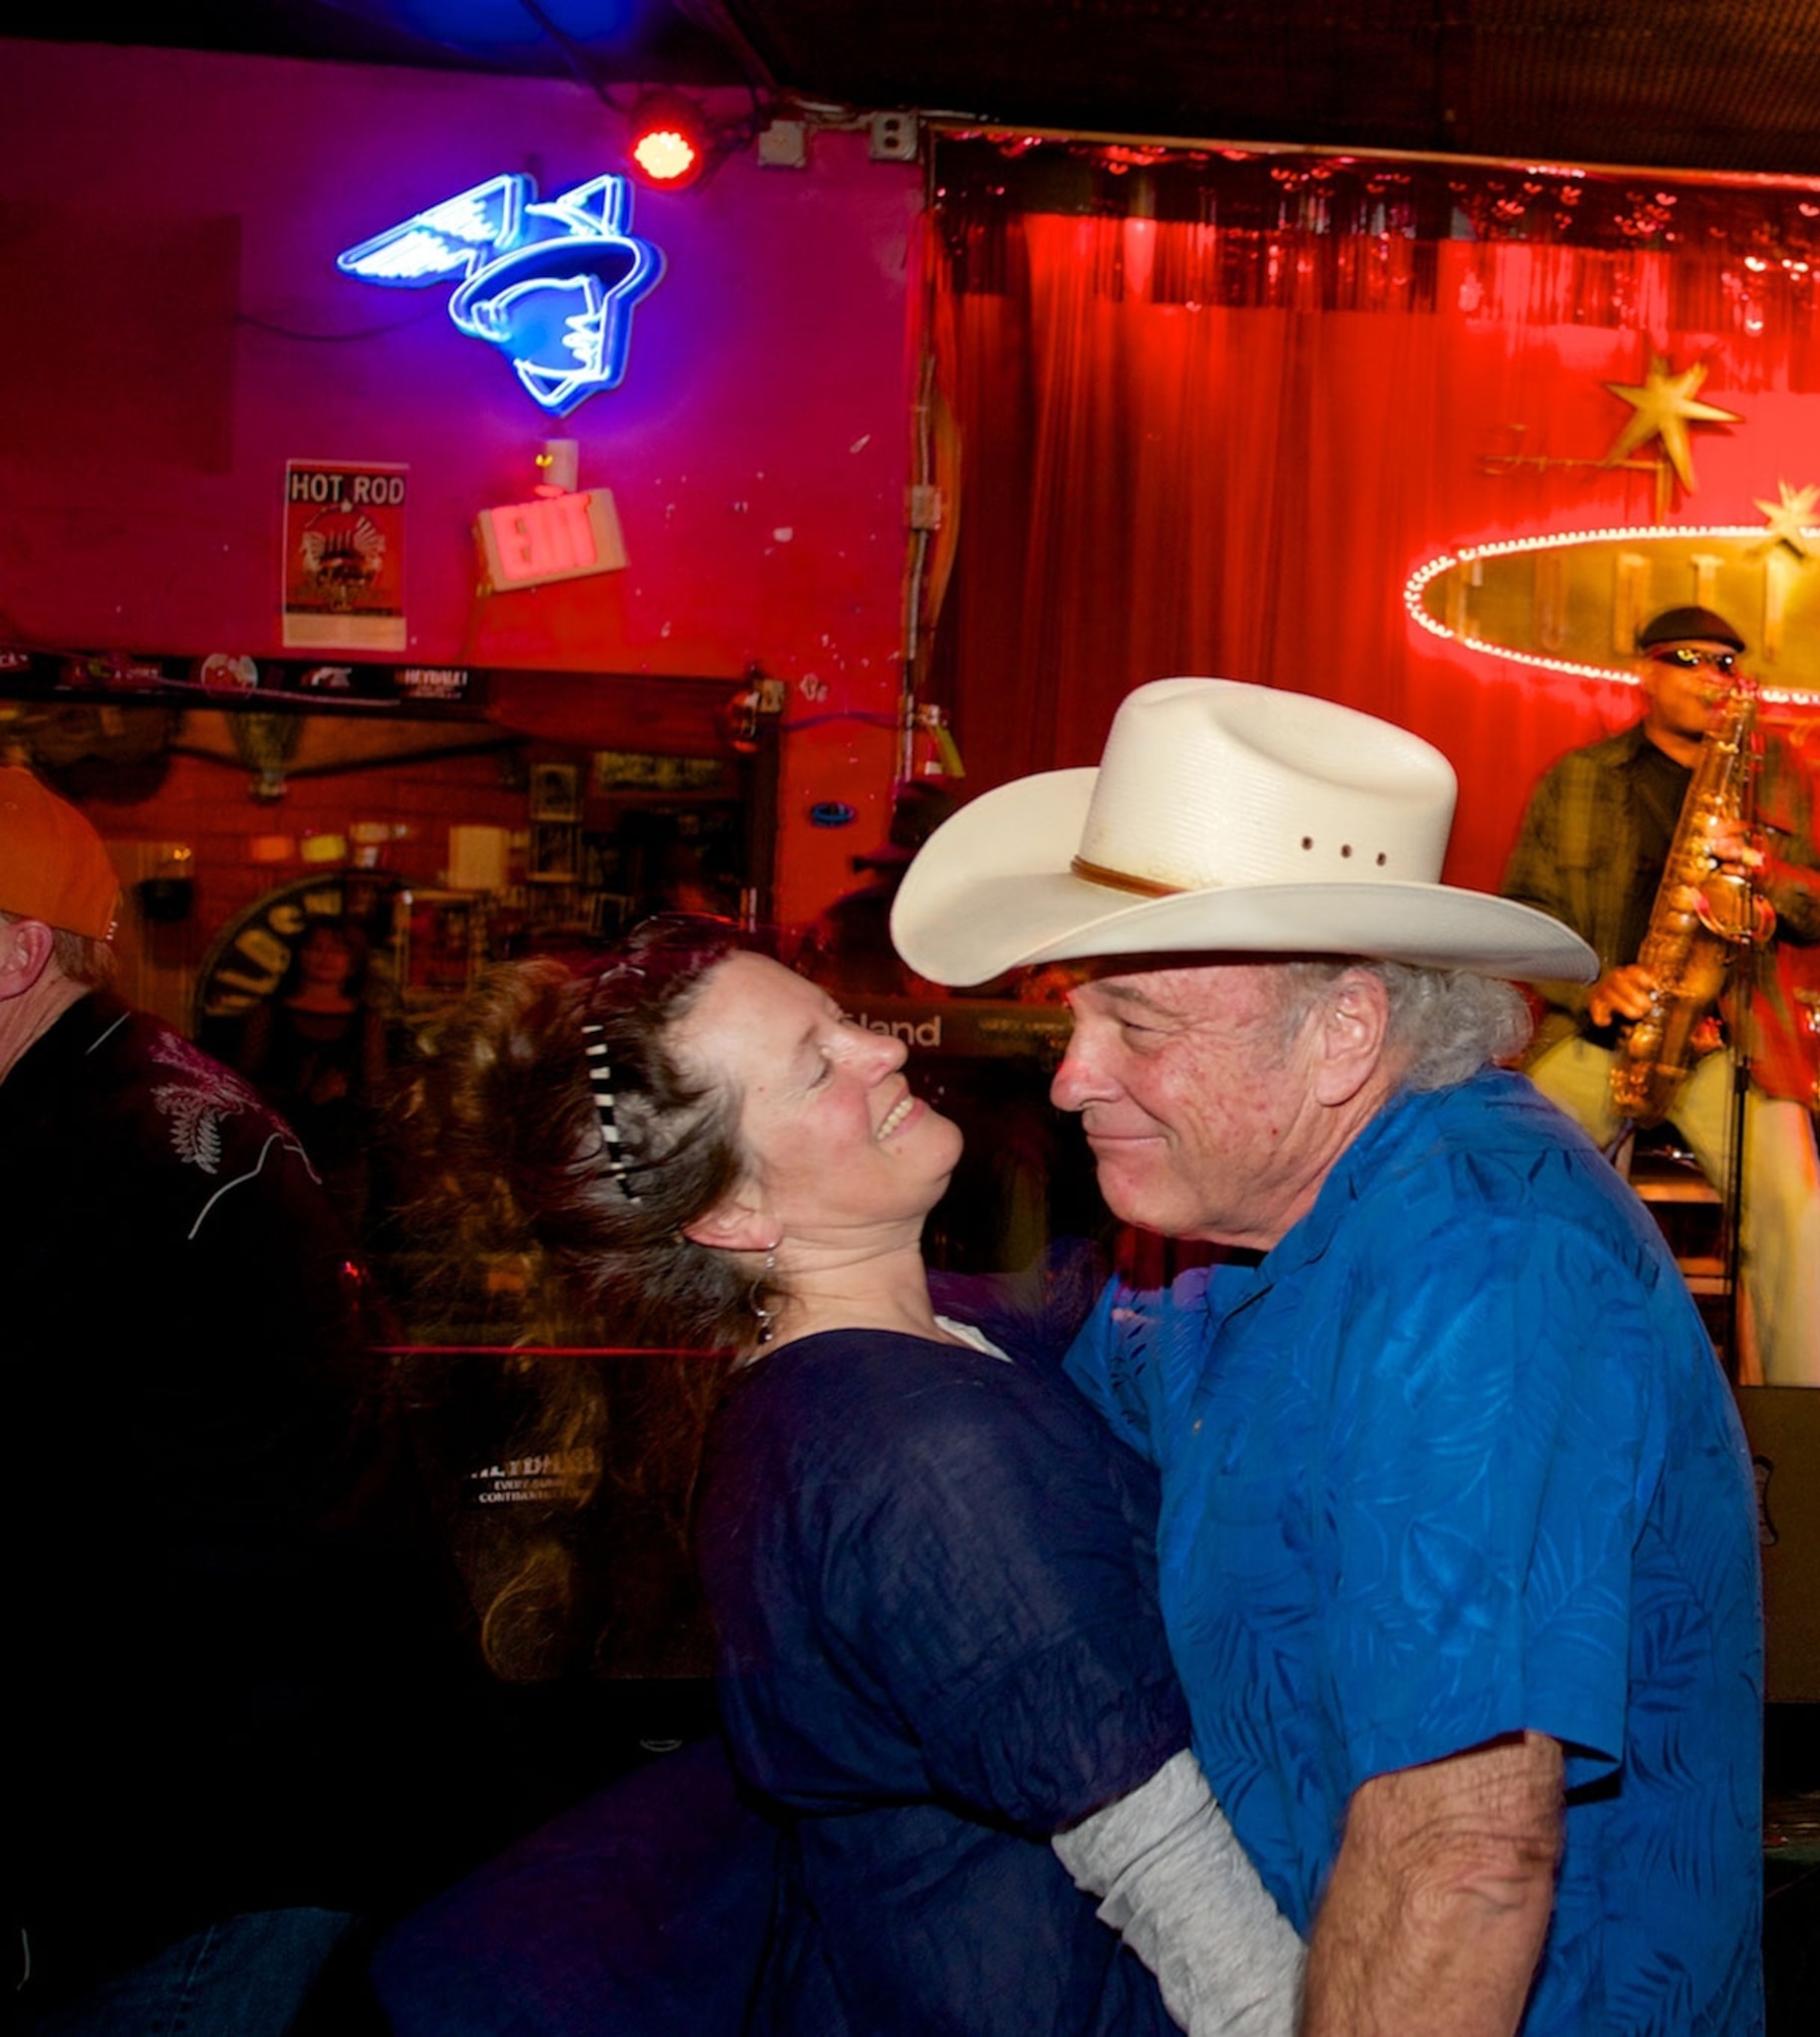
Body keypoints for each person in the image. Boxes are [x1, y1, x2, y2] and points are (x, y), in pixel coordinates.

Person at [890, 677, 1765, 2037]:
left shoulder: (1485, 1265)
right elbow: (1059, 1366)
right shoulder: (1220, 1213)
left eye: (1139, 1026)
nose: (1070, 1077)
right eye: (1077, 1015)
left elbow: (1462, 1855)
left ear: (1344, 1033)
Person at [396, 914, 1301, 2037]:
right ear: (732, 1212)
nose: (880, 1047)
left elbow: (1096, 1305)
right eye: (817, 1064)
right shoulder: (913, 1447)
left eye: (841, 1019)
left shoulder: (885, 1351)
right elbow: (1168, 1866)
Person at [1, 767, 463, 2034]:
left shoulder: (112, 1154)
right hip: (213, 1791)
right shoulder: (94, 1106)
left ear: (19, 951)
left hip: (219, 1824)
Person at [1499, 605, 1820, 1388]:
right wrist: (1592, 982)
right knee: (1518, 1180)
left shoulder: (1772, 773)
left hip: (1730, 1037)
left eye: (1724, 663)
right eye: (1686, 659)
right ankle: (1517, 1386)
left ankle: (1805, 1422)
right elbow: (1524, 912)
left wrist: (1762, 871)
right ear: (1645, 673)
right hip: (1600, 1033)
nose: (1709, 677)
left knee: (1800, 1213)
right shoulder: (1578, 778)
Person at [233, 913, 390, 1232]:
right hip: (280, 1149)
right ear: (299, 955)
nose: (325, 958)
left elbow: (377, 1088)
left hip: (344, 1153)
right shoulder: (269, 1015)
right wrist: (304, 1096)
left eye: (337, 951)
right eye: (316, 948)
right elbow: (243, 1087)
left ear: (353, 963)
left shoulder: (366, 1021)